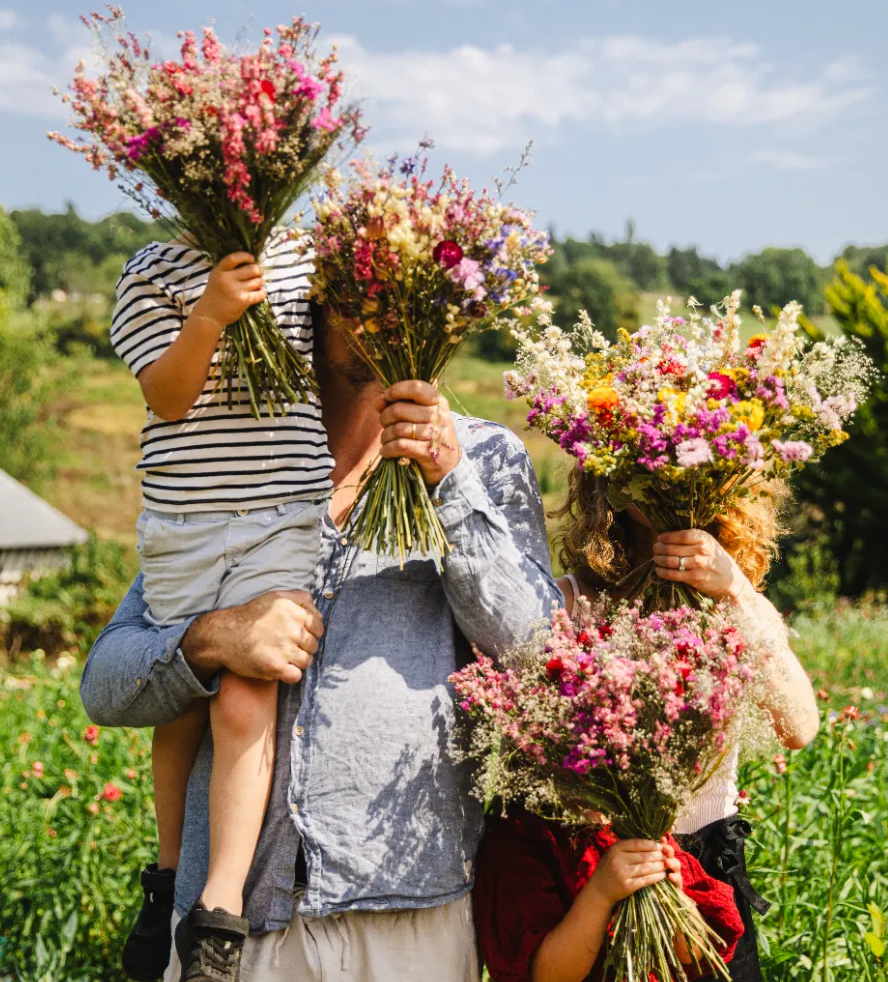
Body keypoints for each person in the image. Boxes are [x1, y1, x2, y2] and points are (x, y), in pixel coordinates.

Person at [80, 301, 562, 981]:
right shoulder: (235, 459)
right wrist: (213, 639)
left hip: (410, 912)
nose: (381, 315)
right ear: (312, 300)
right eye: (359, 292)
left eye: (403, 292)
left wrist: (449, 482)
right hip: (233, 932)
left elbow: (534, 651)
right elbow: (106, 683)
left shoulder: (484, 458)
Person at [111, 234, 333, 981]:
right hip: (184, 527)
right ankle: (168, 876)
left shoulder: (310, 257)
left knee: (247, 696)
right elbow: (166, 396)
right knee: (179, 701)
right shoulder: (151, 271)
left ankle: (218, 913)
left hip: (282, 523)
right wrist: (206, 313)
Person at [554, 469, 821, 981]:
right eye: (645, 454)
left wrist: (736, 591)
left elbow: (799, 727)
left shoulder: (736, 602)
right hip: (604, 876)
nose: (667, 468)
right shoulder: (569, 603)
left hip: (711, 871)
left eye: (685, 452)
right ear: (607, 473)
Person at [474, 808, 744, 982]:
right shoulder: (520, 841)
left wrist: (676, 899)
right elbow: (546, 976)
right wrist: (601, 895)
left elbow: (693, 955)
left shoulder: (638, 823)